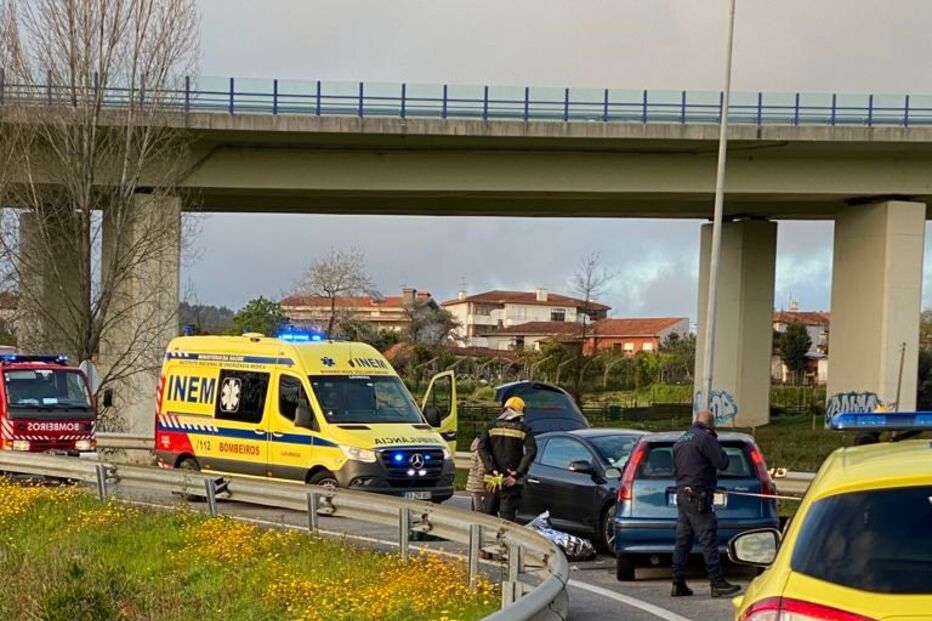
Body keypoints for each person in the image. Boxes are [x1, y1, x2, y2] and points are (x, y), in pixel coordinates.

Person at [670, 410, 741, 598]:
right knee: (708, 538)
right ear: (711, 424)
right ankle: (717, 583)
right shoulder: (705, 438)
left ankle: (677, 583)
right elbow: (722, 462)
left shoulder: (681, 440)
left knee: (682, 541)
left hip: (682, 494)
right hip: (698, 495)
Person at [477, 396, 537, 522]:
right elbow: (531, 452)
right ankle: (503, 541)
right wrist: (518, 473)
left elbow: (482, 448)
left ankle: (488, 541)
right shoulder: (524, 429)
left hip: (492, 480)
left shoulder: (491, 426)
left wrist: (491, 468)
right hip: (511, 481)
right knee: (507, 519)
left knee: (488, 516)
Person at [466, 436, 486, 511]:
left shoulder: (475, 453)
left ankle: (477, 514)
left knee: (476, 499)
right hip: (476, 481)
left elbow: (480, 467)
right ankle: (478, 513)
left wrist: (478, 477)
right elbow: (482, 467)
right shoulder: (479, 453)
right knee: (477, 500)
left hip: (474, 480)